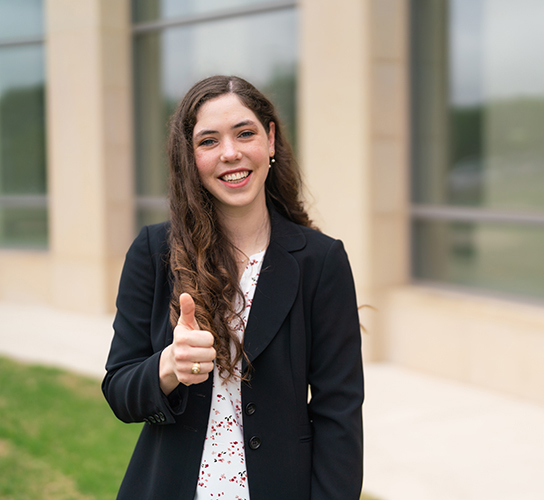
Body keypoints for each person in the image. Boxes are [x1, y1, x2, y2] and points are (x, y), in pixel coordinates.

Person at [102, 75, 364, 500]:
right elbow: (120, 391)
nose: (230, 153)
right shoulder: (153, 251)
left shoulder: (321, 261)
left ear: (271, 140)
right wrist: (168, 366)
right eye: (208, 141)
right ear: (190, 156)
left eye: (245, 133)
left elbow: (340, 413)